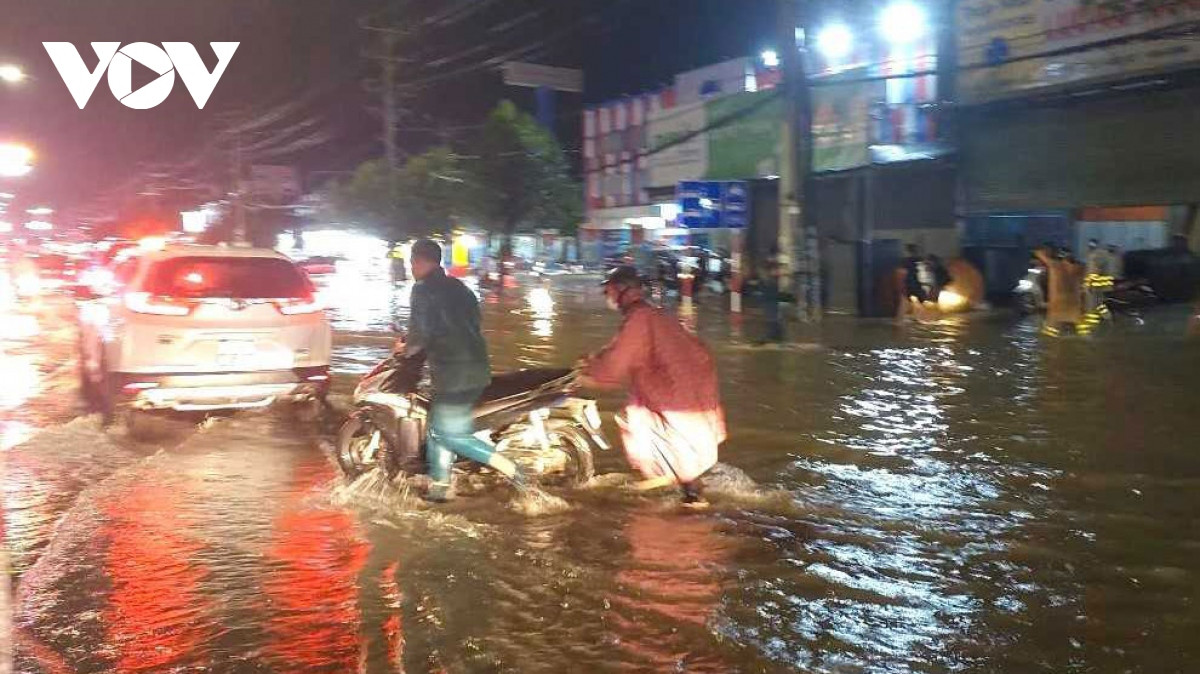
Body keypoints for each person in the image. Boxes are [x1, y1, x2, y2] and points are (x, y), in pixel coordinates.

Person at [578, 266, 725, 504]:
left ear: (620, 290)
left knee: (641, 422)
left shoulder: (639, 319)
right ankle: (689, 489)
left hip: (674, 388)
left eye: (608, 292)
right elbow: (619, 349)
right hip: (688, 382)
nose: (607, 297)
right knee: (671, 433)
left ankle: (688, 493)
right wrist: (594, 360)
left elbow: (616, 364)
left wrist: (588, 375)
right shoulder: (648, 314)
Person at [397, 239, 526, 502]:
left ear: (420, 261)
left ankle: (514, 471)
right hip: (477, 367)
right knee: (436, 427)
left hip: (452, 373)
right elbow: (471, 324)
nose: (411, 267)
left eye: (412, 262)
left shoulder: (422, 290)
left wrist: (403, 349)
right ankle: (440, 488)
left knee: (446, 433)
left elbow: (420, 333)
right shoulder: (461, 288)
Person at [1034, 245, 1087, 336]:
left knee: (1050, 334)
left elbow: (1040, 255)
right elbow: (1084, 284)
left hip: (1057, 304)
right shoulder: (1079, 269)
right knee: (1082, 332)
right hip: (1074, 304)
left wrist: (1042, 252)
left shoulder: (1055, 266)